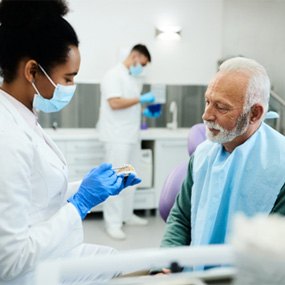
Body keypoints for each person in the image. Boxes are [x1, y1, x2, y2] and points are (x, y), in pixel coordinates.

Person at [0, 1, 141, 284]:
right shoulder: (8, 135)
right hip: (28, 273)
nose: (71, 87)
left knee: (127, 263)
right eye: (67, 78)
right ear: (32, 72)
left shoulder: (21, 116)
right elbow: (9, 261)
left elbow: (36, 193)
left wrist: (86, 187)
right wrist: (80, 203)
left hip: (49, 254)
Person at [161, 57, 285, 253]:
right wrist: (165, 266)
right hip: (194, 268)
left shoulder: (280, 167)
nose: (206, 115)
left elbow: (273, 255)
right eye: (207, 101)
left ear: (254, 114)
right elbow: (181, 218)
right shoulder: (203, 154)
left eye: (221, 107)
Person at [97, 44, 155, 239]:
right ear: (135, 56)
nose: (142, 68)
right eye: (143, 64)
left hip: (130, 136)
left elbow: (128, 104)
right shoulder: (113, 75)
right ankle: (112, 223)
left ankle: (127, 215)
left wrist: (143, 109)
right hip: (117, 137)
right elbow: (114, 103)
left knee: (130, 177)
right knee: (116, 179)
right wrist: (140, 99)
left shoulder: (130, 77)